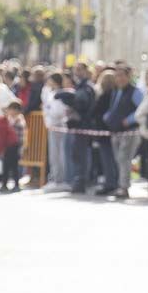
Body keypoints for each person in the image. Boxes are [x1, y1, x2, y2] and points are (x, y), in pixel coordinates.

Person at [103, 65, 143, 199]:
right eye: (117, 76)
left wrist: (129, 119)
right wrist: (108, 116)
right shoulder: (116, 91)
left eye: (122, 75)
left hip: (130, 131)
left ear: (128, 76)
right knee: (118, 159)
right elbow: (113, 107)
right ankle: (121, 185)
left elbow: (141, 110)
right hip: (116, 131)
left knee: (124, 158)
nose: (119, 78)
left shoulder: (135, 91)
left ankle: (124, 187)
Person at [56, 61, 95, 194]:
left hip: (83, 126)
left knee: (81, 155)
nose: (77, 72)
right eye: (75, 69)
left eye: (80, 69)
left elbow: (82, 103)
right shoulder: (79, 86)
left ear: (86, 71)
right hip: (76, 126)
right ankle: (77, 180)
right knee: (76, 154)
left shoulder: (87, 87)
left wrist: (71, 100)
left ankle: (81, 181)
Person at [92, 68, 119, 196]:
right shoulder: (115, 95)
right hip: (111, 131)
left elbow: (97, 113)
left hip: (104, 132)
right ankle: (113, 182)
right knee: (113, 159)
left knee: (108, 159)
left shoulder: (105, 96)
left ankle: (110, 183)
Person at [42, 71, 70, 191]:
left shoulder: (60, 94)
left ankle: (59, 179)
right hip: (52, 126)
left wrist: (49, 112)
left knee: (58, 153)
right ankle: (54, 177)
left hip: (58, 126)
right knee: (53, 154)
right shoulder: (51, 93)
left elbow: (57, 111)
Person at [0, 101, 25, 192]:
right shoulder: (10, 119)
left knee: (14, 166)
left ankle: (16, 184)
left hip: (15, 146)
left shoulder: (19, 120)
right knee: (6, 165)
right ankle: (4, 183)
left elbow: (14, 133)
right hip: (8, 145)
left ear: (16, 110)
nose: (9, 112)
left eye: (10, 109)